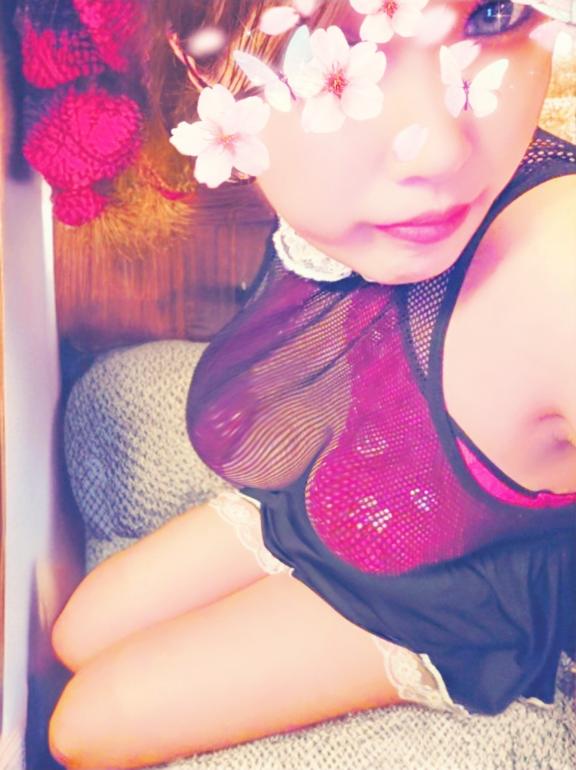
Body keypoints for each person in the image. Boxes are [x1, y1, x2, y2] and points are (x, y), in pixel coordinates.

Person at [48, 1, 576, 768]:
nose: (436, 147)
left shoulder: (557, 276)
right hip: (351, 483)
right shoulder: (357, 191)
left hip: (451, 591)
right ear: (199, 62)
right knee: (78, 631)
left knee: (84, 728)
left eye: (493, 12)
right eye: (324, 42)